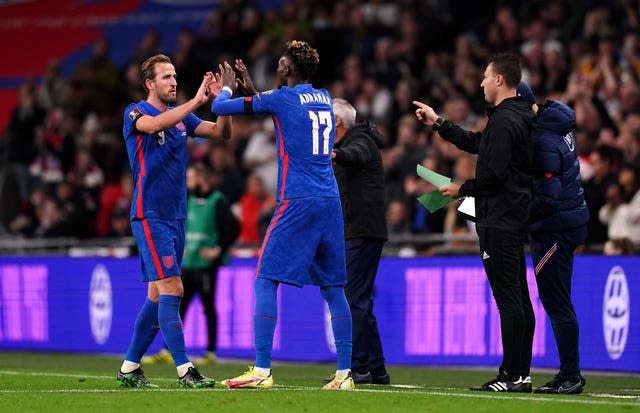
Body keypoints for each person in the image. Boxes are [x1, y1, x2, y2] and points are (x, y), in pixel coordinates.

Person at [211, 40, 355, 390]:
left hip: (298, 199)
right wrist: (256, 91)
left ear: (288, 70)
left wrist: (228, 84)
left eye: (279, 64)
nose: (276, 67)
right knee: (334, 288)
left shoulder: (282, 98)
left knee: (264, 279)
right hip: (329, 201)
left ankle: (261, 371)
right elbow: (284, 110)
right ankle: (345, 374)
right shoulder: (322, 96)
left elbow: (219, 106)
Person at [413, 53, 536, 392]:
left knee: (509, 299)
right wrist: (439, 123)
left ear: (500, 80)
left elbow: (494, 176)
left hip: (498, 220)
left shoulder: (506, 121)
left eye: (485, 76)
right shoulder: (517, 118)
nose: (480, 82)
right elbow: (476, 143)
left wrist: (460, 188)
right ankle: (521, 374)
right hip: (511, 217)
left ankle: (511, 375)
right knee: (520, 299)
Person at [117, 53, 231, 388]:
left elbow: (221, 133)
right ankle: (185, 370)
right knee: (173, 288)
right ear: (150, 83)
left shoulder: (183, 119)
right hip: (149, 214)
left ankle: (128, 369)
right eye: (166, 77)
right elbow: (154, 126)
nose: (174, 82)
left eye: (175, 76)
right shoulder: (136, 112)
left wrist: (222, 101)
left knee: (157, 295)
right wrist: (197, 100)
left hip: (176, 217)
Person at [517, 81, 589, 394]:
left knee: (557, 302)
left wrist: (519, 221)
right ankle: (570, 373)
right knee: (560, 300)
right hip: (571, 220)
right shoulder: (555, 124)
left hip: (555, 227)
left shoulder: (543, 139)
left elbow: (548, 198)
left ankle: (571, 375)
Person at [328, 98, 389, 385]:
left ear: (336, 122)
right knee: (360, 300)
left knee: (353, 298)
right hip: (359, 230)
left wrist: (335, 155)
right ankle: (376, 369)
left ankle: (358, 367)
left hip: (362, 231)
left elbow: (355, 154)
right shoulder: (358, 138)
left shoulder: (360, 140)